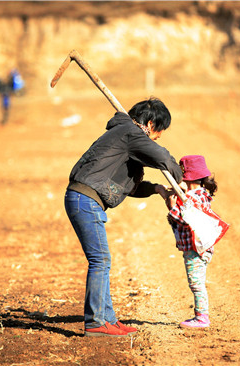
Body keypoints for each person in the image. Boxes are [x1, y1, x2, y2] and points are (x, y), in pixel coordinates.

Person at [64, 97, 183, 337]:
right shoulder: (131, 133)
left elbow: (126, 187)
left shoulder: (125, 135)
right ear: (150, 124)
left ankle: (108, 320)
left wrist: (157, 189)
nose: (159, 137)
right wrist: (180, 178)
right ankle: (96, 323)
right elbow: (162, 157)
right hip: (85, 201)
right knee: (100, 260)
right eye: (160, 131)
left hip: (85, 199)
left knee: (102, 260)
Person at [164, 155, 219, 329]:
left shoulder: (194, 198)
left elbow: (185, 219)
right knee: (196, 281)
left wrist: (172, 207)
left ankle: (202, 317)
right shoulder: (200, 195)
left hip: (196, 249)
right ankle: (201, 316)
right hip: (197, 248)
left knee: (196, 283)